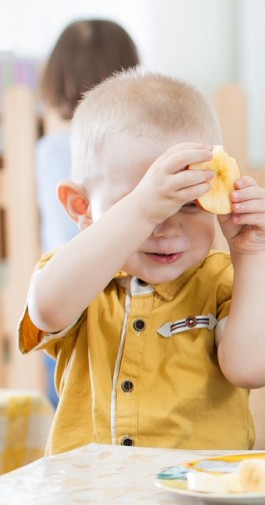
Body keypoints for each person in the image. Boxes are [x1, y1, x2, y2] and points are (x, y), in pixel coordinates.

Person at [18, 69, 265, 454]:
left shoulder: (228, 281)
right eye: (140, 203)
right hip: (89, 502)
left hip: (201, 498)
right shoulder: (78, 276)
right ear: (82, 207)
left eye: (191, 204)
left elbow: (254, 369)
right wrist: (140, 210)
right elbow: (46, 310)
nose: (166, 227)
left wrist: (251, 254)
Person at [35, 18, 140, 407]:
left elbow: (66, 235)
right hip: (103, 286)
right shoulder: (128, 146)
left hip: (70, 284)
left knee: (69, 394)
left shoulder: (52, 148)